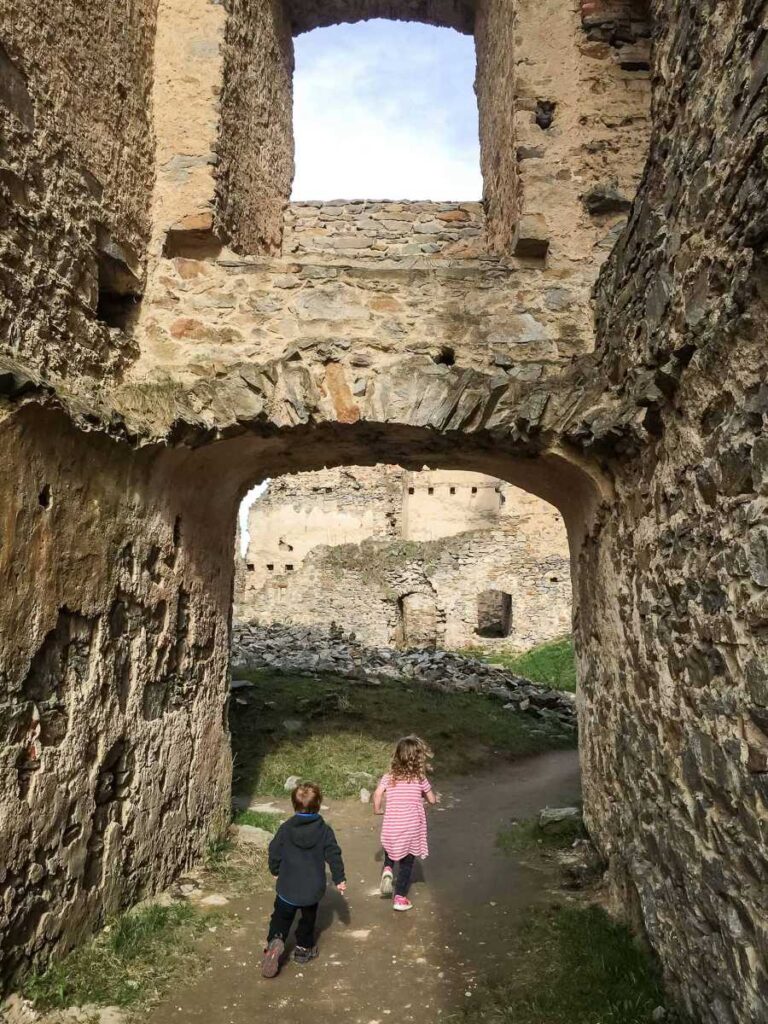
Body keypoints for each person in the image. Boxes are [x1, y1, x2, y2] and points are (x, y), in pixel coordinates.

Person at [261, 781, 347, 978]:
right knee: (308, 920)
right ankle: (303, 949)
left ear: (294, 805)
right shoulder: (324, 830)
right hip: (311, 890)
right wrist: (339, 878)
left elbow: (274, 850)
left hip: (287, 887)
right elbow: (334, 855)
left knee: (280, 918)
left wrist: (275, 869)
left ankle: (275, 940)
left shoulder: (286, 829)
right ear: (318, 805)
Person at [373, 735, 437, 911]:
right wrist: (426, 795)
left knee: (392, 846)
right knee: (407, 862)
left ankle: (387, 868)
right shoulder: (420, 778)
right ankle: (399, 898)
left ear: (397, 756)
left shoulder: (389, 777)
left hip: (392, 825)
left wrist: (377, 809)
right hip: (411, 828)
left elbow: (377, 794)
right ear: (418, 758)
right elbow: (432, 800)